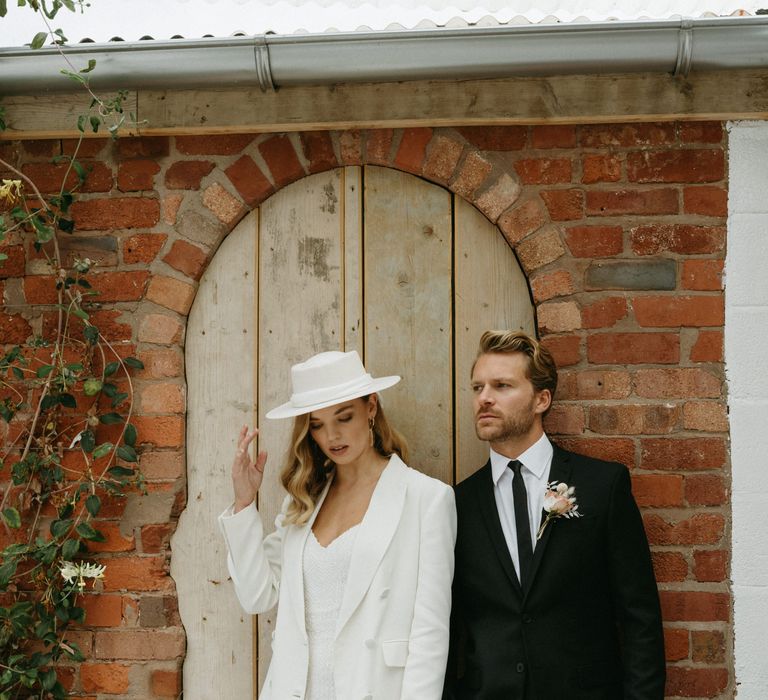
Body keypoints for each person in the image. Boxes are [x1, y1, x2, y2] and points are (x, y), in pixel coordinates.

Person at [219, 349, 456, 700]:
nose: (331, 436)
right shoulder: (304, 500)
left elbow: (430, 636)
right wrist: (243, 502)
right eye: (317, 424)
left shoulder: (426, 499)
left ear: (371, 407)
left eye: (343, 418)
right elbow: (257, 595)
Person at [445, 330, 665, 699]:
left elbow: (639, 616)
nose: (484, 398)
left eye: (501, 386)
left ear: (541, 399)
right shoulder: (457, 503)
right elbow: (448, 626)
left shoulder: (601, 486)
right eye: (477, 387)